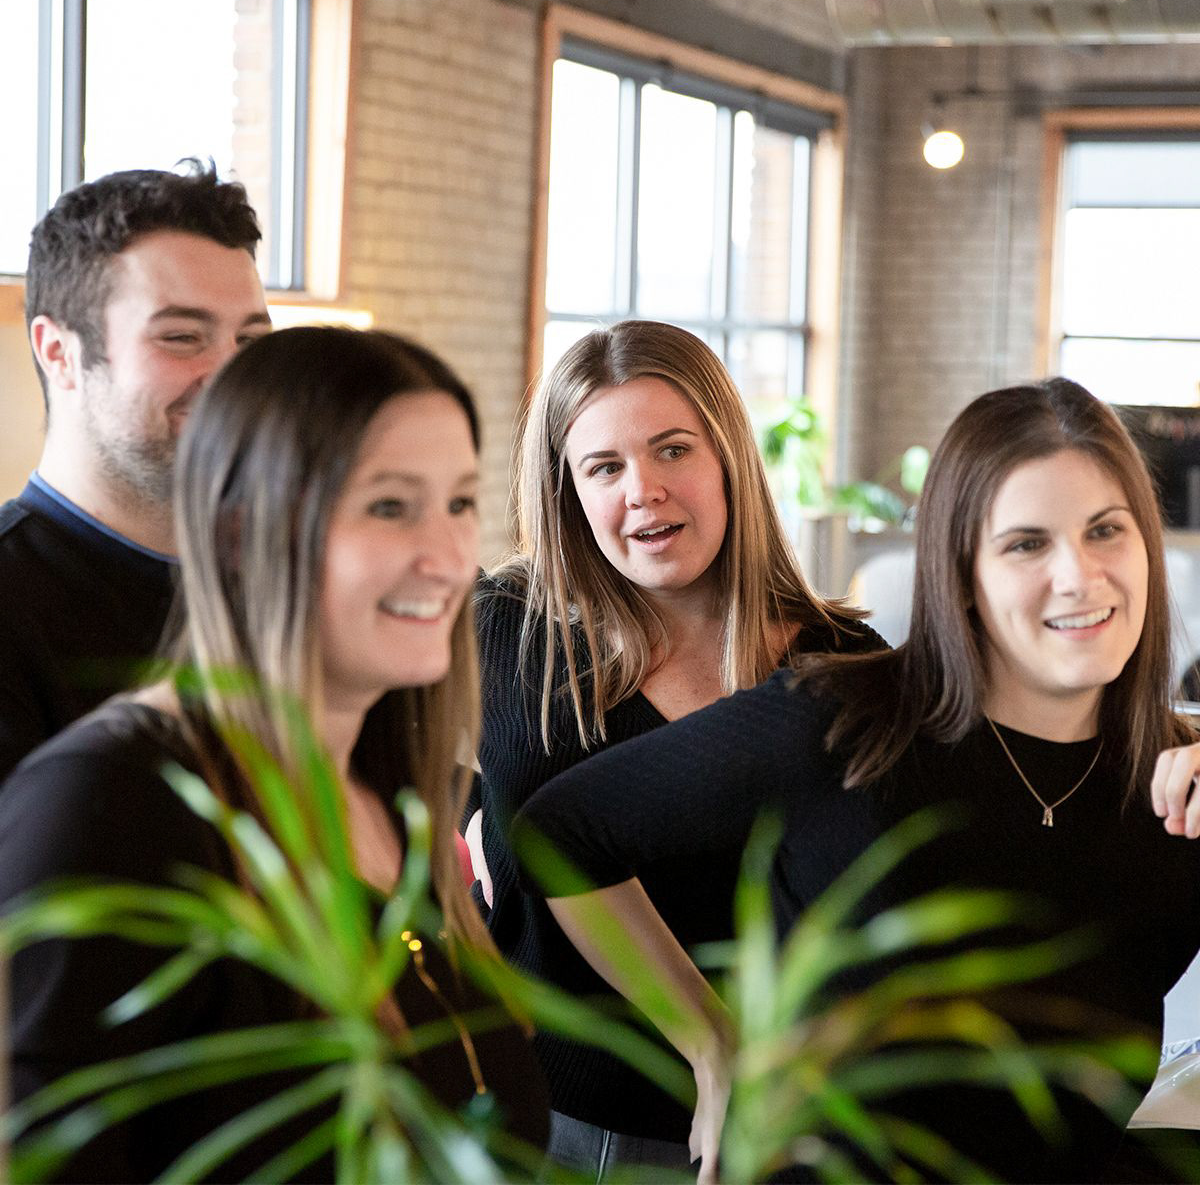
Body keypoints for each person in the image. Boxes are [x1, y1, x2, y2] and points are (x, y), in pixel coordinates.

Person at [516, 377, 1200, 1182]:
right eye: (1026, 544)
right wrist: (710, 1042)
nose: (1079, 576)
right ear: (961, 572)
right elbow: (560, 833)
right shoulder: (840, 720)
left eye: (1105, 531)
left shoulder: (1177, 787)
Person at [0, 327, 548, 1181]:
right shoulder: (109, 804)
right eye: (390, 507)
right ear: (241, 529)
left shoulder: (392, 789)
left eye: (459, 504)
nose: (449, 560)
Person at [470, 320, 883, 1176]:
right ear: (569, 493)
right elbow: (523, 834)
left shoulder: (843, 663)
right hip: (550, 1124)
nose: (644, 492)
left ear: (727, 457)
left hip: (774, 1132)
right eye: (604, 467)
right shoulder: (513, 632)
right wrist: (709, 1042)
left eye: (672, 450)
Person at [0, 162, 271, 782]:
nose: (230, 376)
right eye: (182, 337)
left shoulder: (274, 575)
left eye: (251, 341)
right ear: (59, 353)